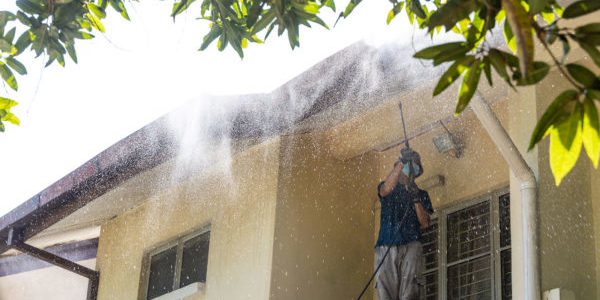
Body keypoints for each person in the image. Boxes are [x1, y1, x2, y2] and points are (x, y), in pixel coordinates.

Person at [374, 150, 434, 300]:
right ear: (398, 167)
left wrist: (416, 199)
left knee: (410, 290)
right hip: (387, 245)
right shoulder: (388, 187)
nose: (410, 170)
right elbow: (385, 190)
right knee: (386, 291)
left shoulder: (421, 194)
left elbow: (425, 222)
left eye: (414, 166)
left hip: (412, 244)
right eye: (408, 164)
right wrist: (402, 162)